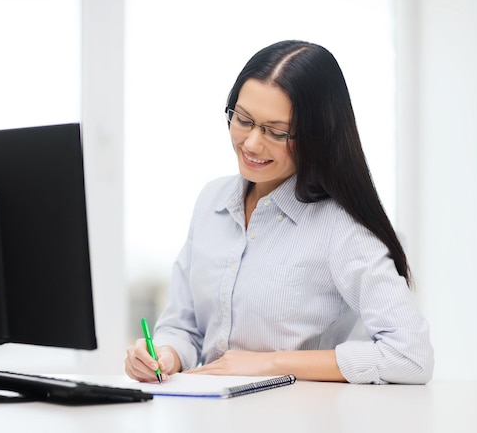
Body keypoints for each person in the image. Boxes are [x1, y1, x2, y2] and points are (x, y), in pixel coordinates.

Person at [124, 40, 434, 384]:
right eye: (243, 120)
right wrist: (164, 355)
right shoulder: (211, 200)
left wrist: (270, 364)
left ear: (318, 135)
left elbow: (410, 355)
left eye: (276, 132)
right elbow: (184, 327)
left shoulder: (342, 227)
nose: (252, 143)